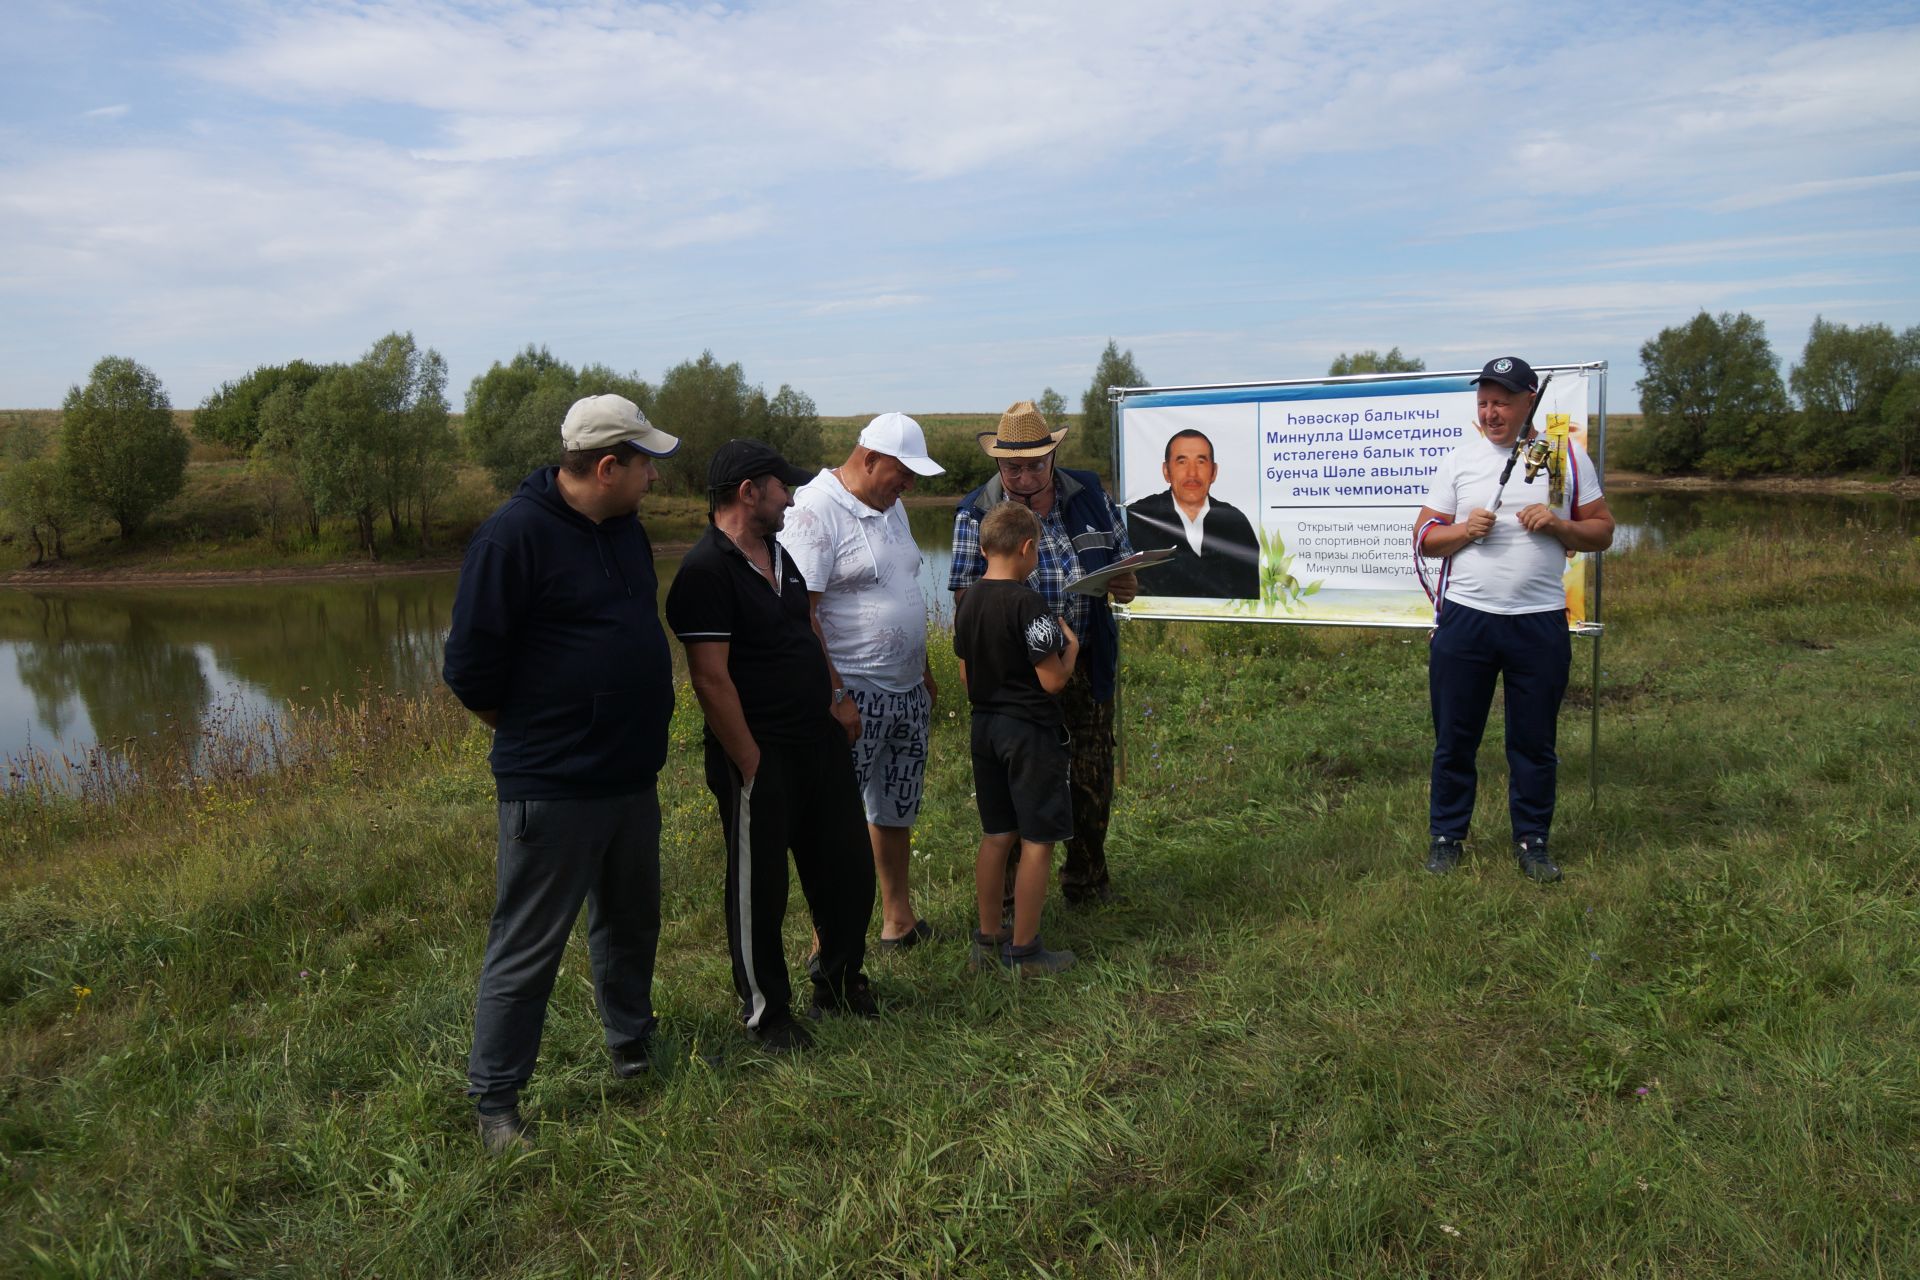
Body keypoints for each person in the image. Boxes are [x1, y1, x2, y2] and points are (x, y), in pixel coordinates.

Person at [441, 393, 682, 1154]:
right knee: (529, 943)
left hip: (629, 776)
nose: (654, 477)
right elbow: (471, 673)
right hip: (552, 785)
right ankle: (496, 1101)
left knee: (630, 920)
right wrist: (547, 736)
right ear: (607, 466)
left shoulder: (625, 529)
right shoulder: (512, 539)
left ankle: (631, 1045)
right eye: (645, 463)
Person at [665, 439, 879, 1054]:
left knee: (845, 866)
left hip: (817, 737)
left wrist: (837, 694)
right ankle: (768, 1012)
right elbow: (710, 676)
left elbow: (807, 629)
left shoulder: (777, 552)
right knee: (761, 887)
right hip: (759, 752)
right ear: (747, 492)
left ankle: (838, 980)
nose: (791, 496)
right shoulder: (706, 571)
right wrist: (750, 761)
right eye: (780, 486)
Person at [1414, 357, 1614, 883]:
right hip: (1467, 622)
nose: (1491, 411)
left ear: (1530, 401)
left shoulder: (1564, 460)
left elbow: (1603, 532)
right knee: (1455, 738)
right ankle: (1446, 837)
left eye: (1502, 401)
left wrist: (1558, 525)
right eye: (1483, 401)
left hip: (1539, 623)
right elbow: (1424, 540)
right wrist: (1462, 531)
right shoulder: (1460, 461)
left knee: (1533, 741)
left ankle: (1533, 842)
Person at [948, 400, 1138, 906]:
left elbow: (1123, 564)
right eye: (1014, 467)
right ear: (997, 463)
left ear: (1054, 457)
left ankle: (1088, 882)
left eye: (1035, 465)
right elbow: (967, 600)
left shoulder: (1091, 494)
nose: (1025, 476)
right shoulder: (976, 511)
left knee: (1093, 772)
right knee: (1018, 786)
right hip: (1018, 677)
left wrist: (1125, 583)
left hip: (1087, 658)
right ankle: (1007, 907)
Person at [778, 412, 945, 950]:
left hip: (904, 690)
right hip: (852, 691)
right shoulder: (814, 509)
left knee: (896, 806)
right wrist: (835, 694)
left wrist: (922, 669)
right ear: (868, 458)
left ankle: (898, 919)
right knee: (836, 821)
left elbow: (904, 585)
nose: (909, 485)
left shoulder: (891, 508)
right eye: (902, 471)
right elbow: (803, 615)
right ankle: (828, 942)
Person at [954, 502, 1080, 974]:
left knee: (996, 834)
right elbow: (1052, 680)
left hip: (983, 728)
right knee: (1038, 839)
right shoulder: (1030, 603)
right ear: (1029, 549)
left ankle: (987, 940)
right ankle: (1026, 951)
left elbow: (967, 678)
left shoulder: (967, 603)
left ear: (985, 547)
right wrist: (1072, 649)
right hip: (1028, 733)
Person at [1124, 429, 1260, 598]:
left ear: (1214, 472)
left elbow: (1250, 592)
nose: (1192, 474)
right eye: (1182, 462)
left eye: (1201, 462)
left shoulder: (1235, 522)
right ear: (1166, 471)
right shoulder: (1139, 517)